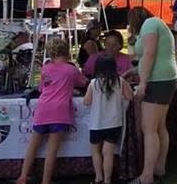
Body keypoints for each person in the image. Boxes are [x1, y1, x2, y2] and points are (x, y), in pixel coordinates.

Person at [18, 39, 87, 184]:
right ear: (67, 52)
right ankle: (46, 181)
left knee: (33, 145)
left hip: (43, 109)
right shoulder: (71, 70)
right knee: (52, 149)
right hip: (60, 111)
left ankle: (23, 176)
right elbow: (83, 82)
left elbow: (42, 88)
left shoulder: (45, 68)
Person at [133, 16, 177, 184]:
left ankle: (147, 175)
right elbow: (152, 56)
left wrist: (142, 82)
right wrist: (134, 71)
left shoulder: (149, 24)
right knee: (159, 126)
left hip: (157, 81)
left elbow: (149, 53)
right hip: (166, 78)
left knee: (148, 128)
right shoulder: (157, 24)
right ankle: (159, 167)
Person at [84, 55, 133, 184]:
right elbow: (129, 96)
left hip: (96, 123)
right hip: (114, 123)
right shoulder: (120, 81)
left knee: (96, 151)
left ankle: (98, 177)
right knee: (108, 153)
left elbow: (86, 101)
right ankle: (107, 180)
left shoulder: (93, 83)